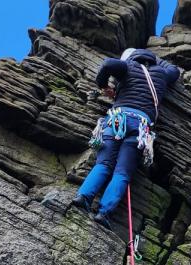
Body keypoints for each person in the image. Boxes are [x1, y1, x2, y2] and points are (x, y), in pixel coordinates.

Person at [73, 48, 180, 229]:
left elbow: (107, 64)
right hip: (140, 127)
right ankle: (103, 213)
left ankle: (83, 197)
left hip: (117, 120)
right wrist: (156, 61)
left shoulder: (127, 66)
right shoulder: (162, 74)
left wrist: (103, 86)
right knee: (122, 172)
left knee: (104, 164)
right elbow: (175, 71)